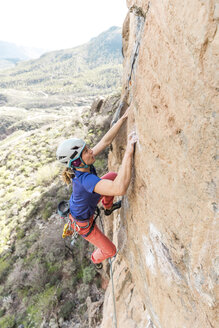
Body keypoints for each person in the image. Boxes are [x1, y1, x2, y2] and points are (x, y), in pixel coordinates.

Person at [56, 107, 137, 268]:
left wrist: (123, 119)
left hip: (90, 201)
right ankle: (95, 259)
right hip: (84, 224)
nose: (91, 150)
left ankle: (108, 207)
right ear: (77, 162)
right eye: (86, 151)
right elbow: (119, 189)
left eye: (87, 147)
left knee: (112, 175)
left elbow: (105, 142)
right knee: (111, 250)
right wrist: (129, 152)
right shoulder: (85, 180)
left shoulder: (84, 165)